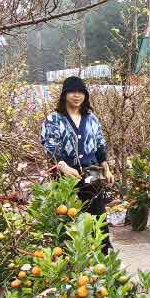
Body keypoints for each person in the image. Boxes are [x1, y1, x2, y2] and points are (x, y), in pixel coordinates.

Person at [40, 76, 113, 250]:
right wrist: (62, 166)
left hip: (93, 169)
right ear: (65, 94)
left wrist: (107, 169)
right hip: (65, 171)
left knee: (98, 212)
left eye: (81, 92)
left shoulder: (91, 118)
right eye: (72, 91)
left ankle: (103, 254)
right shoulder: (54, 119)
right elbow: (49, 147)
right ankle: (74, 259)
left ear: (85, 95)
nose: (77, 95)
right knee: (70, 214)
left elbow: (100, 145)